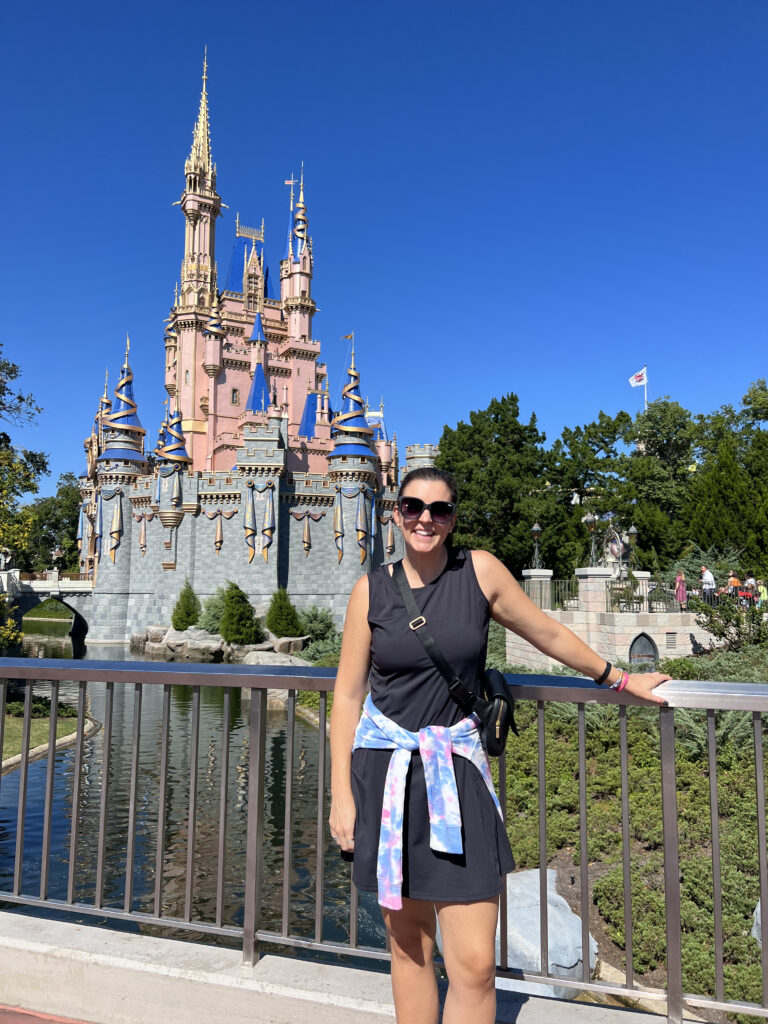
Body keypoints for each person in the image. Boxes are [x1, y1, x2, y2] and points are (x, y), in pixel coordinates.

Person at [329, 466, 669, 1024]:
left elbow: (548, 632)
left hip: (456, 774)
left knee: (475, 964)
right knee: (409, 948)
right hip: (387, 776)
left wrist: (619, 678)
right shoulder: (371, 589)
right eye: (413, 507)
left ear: (453, 519)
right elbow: (346, 697)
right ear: (395, 513)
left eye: (439, 510)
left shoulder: (478, 571)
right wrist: (341, 795)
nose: (425, 520)